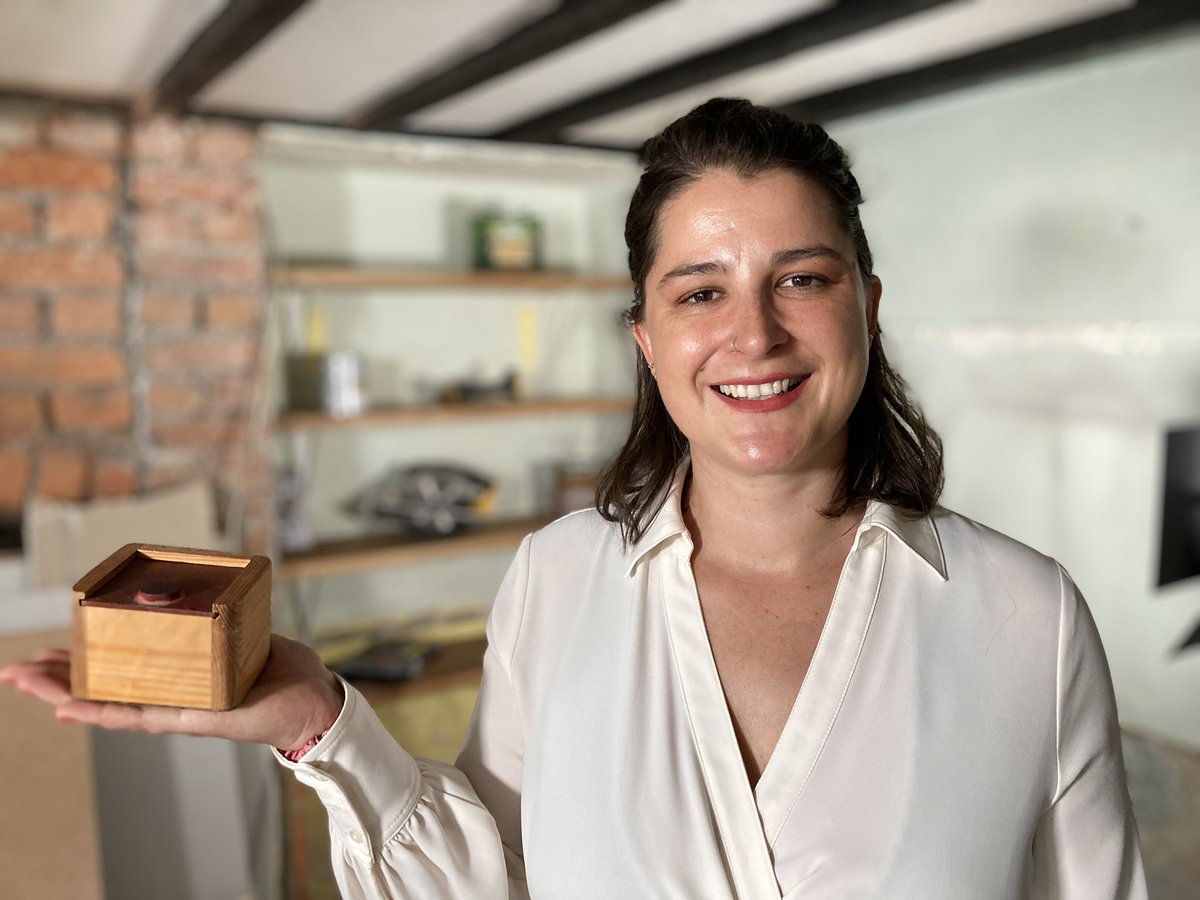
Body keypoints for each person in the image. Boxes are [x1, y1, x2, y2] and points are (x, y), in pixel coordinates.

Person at [2, 98, 1146, 899]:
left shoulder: (1027, 621)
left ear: (867, 305)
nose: (754, 332)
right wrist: (323, 723)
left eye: (802, 277)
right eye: (702, 291)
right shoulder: (555, 578)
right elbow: (490, 882)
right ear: (649, 341)